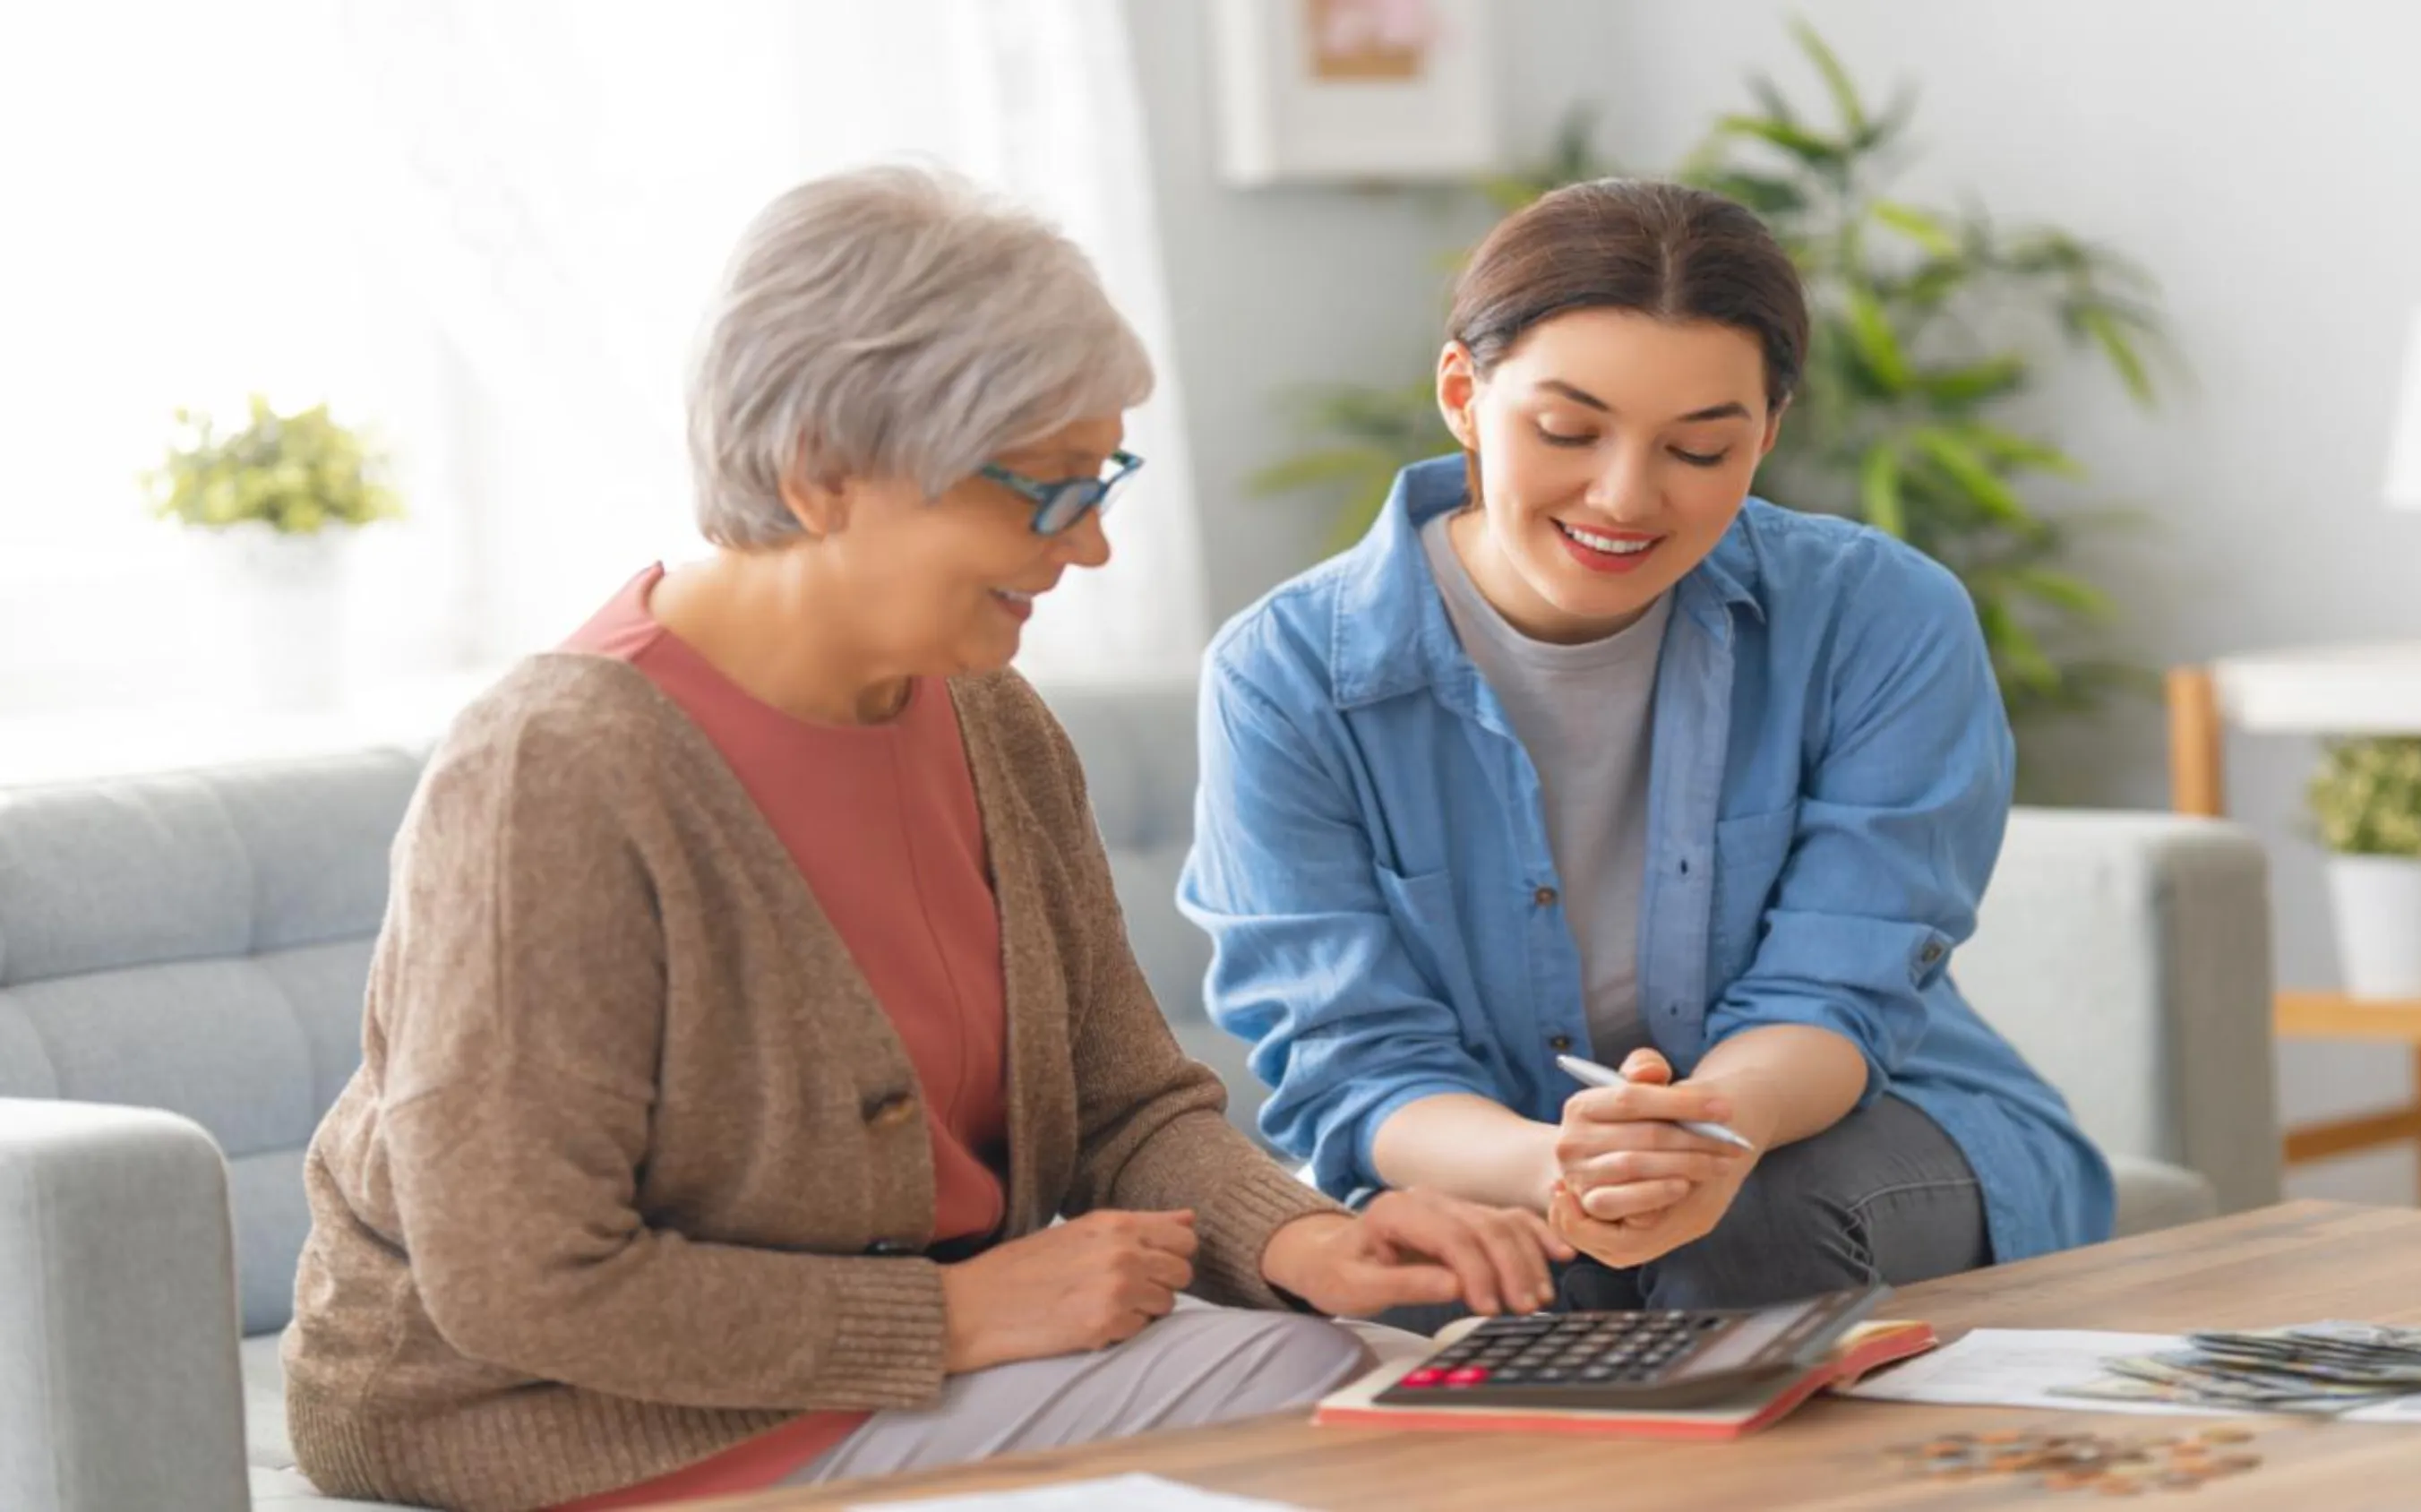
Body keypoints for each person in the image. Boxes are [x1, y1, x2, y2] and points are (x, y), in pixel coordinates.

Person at [281, 165, 1565, 1512]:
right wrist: (952, 1321)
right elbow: (516, 1281)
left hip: (894, 1378)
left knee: (1391, 1379)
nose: (1093, 551)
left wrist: (1304, 1236)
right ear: (822, 474)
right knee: (1386, 1431)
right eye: (1047, 492)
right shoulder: (560, 768)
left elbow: (1126, 1108)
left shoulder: (991, 719)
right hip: (568, 1417)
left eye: (1103, 481)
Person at [1180, 178, 2114, 1325]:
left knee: (1751, 1234)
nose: (1626, 496)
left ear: (1767, 432)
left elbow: (1840, 987)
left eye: (1701, 449)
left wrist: (1707, 1134)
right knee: (1468, 1284)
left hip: (1845, 1126)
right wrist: (1556, 1169)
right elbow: (1350, 1059)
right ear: (1463, 394)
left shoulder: (1882, 616)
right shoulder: (1286, 675)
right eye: (1567, 431)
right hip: (1487, 1154)